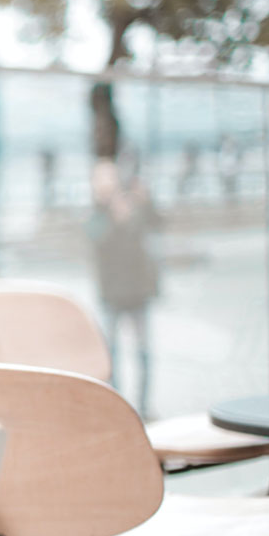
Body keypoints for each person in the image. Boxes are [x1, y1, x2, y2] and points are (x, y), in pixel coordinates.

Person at [87, 158, 160, 416]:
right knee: (112, 355)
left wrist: (143, 200)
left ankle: (144, 406)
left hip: (138, 290)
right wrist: (115, 217)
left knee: (143, 352)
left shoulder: (131, 204)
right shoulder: (96, 213)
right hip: (112, 294)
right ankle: (118, 408)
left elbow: (156, 223)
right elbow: (99, 242)